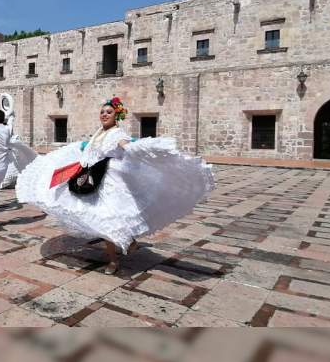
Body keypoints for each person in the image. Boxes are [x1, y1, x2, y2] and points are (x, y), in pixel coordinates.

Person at [16, 97, 215, 274]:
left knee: (108, 221)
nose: (104, 114)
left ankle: (113, 260)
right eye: (102, 112)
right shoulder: (98, 133)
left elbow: (126, 145)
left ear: (116, 116)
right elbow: (88, 149)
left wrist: (140, 147)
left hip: (110, 182)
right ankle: (128, 245)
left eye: (108, 112)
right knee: (101, 221)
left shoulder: (116, 133)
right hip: (93, 179)